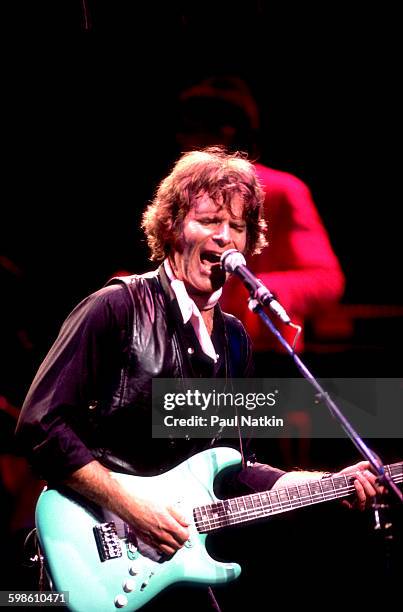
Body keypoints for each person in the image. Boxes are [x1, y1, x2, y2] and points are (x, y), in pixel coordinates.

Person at [16, 148, 381, 610]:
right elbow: (40, 426)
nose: (224, 237)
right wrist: (134, 509)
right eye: (209, 220)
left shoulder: (232, 339)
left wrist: (325, 484)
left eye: (237, 227)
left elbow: (236, 468)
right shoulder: (117, 308)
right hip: (88, 556)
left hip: (171, 569)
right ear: (171, 227)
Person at [175, 76, 345, 354]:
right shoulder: (183, 194)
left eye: (192, 131)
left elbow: (327, 280)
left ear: (225, 133)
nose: (181, 141)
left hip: (263, 360)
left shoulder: (282, 191)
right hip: (194, 359)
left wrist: (256, 290)